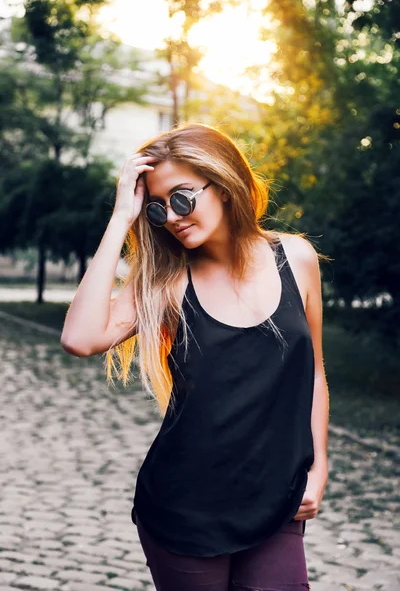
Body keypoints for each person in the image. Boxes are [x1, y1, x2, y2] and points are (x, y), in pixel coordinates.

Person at [61, 123, 329, 591]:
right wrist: (122, 216)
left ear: (223, 184)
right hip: (185, 509)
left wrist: (319, 465)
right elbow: (81, 338)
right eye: (159, 209)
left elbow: (315, 373)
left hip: (276, 497)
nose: (174, 216)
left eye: (183, 197)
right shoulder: (166, 284)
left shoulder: (297, 259)